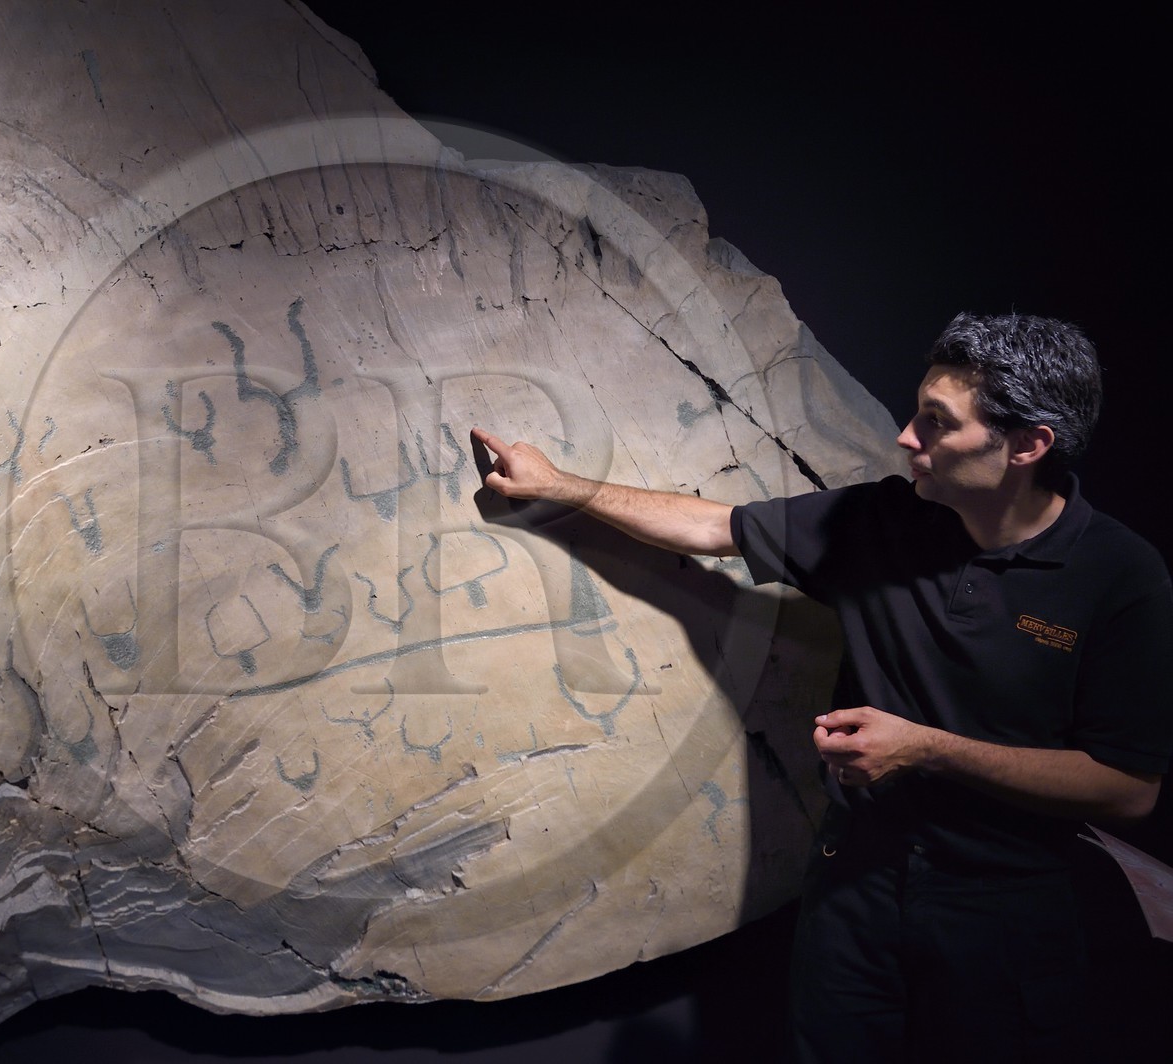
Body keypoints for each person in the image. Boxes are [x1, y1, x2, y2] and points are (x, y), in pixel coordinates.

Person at [472, 312, 1173, 1063]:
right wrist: (557, 486)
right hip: (853, 888)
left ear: (1028, 445)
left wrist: (927, 749)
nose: (906, 438)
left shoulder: (1120, 576)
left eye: (937, 423)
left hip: (1005, 909)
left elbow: (1128, 789)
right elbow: (713, 529)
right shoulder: (883, 519)